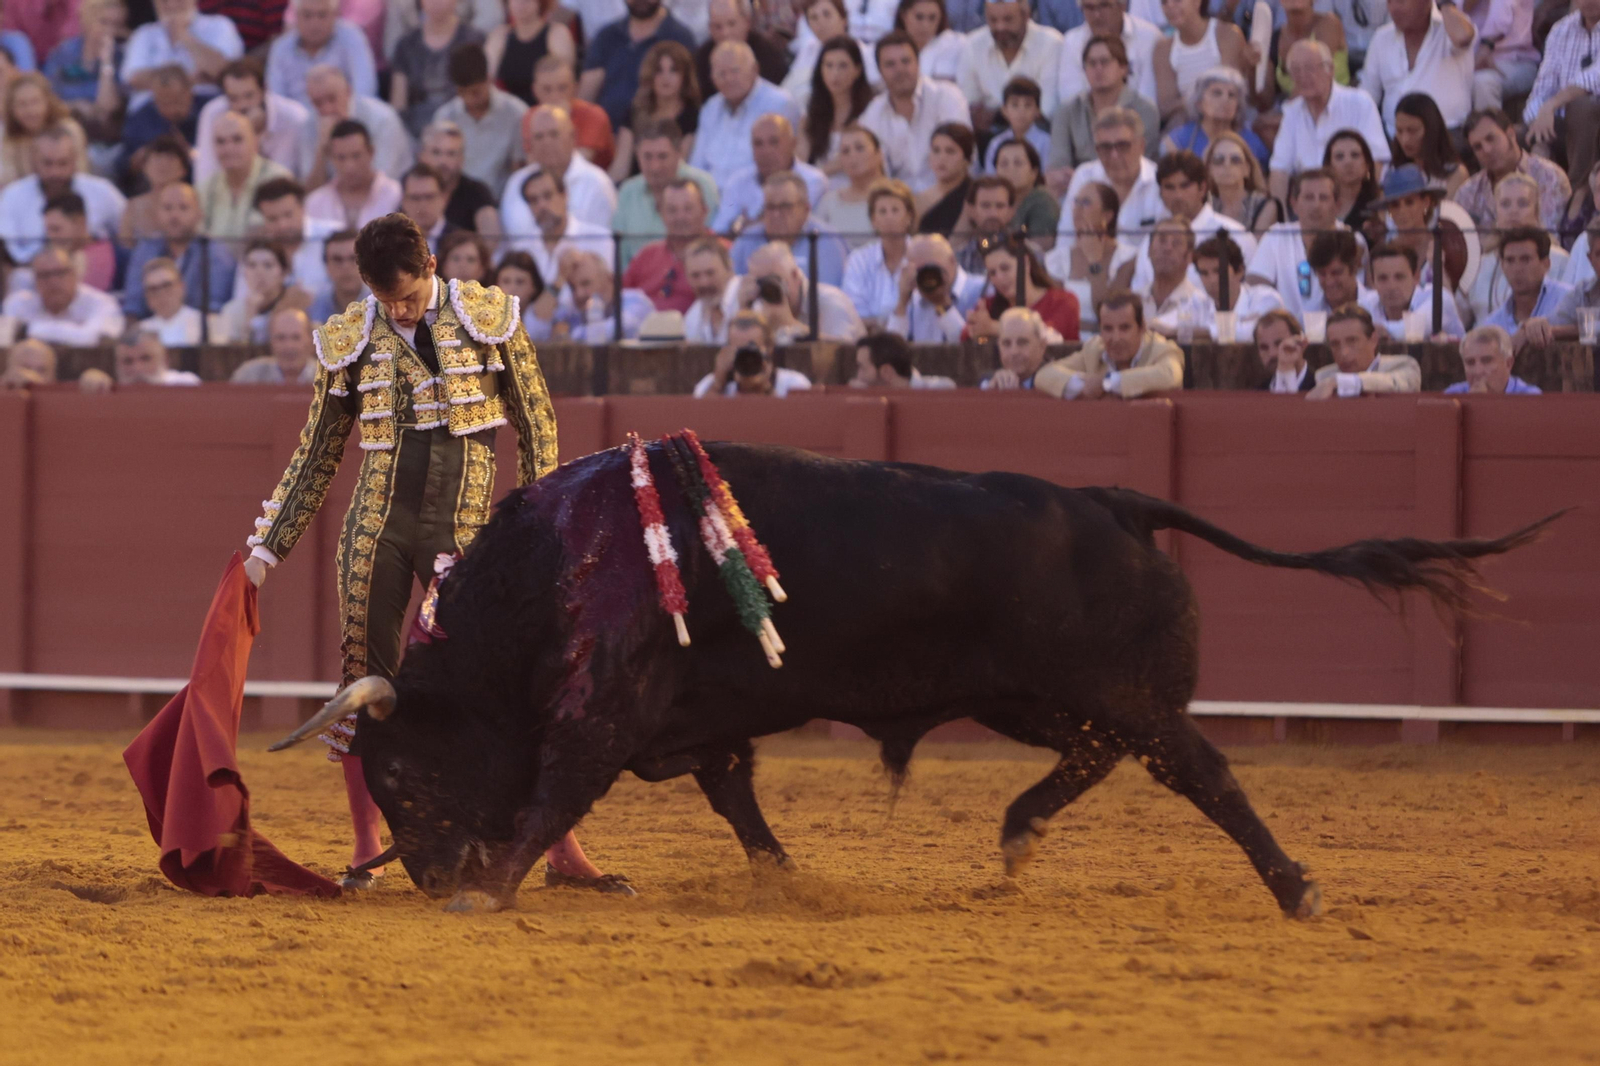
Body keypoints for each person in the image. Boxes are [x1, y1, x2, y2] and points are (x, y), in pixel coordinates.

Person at [240, 213, 619, 894]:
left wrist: (540, 539)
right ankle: (365, 845)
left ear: (434, 264)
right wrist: (268, 547)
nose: (400, 310)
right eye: (386, 301)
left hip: (469, 534)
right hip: (377, 529)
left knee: (508, 687)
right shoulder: (350, 337)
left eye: (408, 296)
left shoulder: (490, 316)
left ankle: (561, 850)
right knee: (364, 683)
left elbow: (538, 425)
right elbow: (317, 454)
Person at [1267, 39, 1390, 201]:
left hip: (1354, 202)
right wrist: (1280, 214)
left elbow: (1377, 162)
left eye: (1310, 68)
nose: (1303, 76)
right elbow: (1279, 170)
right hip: (1308, 204)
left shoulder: (1359, 102)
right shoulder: (1292, 112)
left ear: (1330, 69)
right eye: (1296, 70)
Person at [0, 122, 124, 265]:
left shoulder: (102, 191)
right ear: (33, 162)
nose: (55, 172)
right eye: (48, 163)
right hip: (32, 276)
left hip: (96, 273)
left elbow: (128, 234)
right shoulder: (13, 196)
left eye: (62, 163)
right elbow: (9, 251)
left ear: (74, 161)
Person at [859, 30, 969, 193]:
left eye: (906, 61)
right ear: (879, 71)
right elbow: (876, 174)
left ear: (918, 63)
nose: (900, 70)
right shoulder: (872, 114)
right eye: (890, 64)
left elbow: (962, 161)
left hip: (951, 195)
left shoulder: (947, 96)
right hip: (899, 205)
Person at [1048, 35, 1159, 185]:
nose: (1098, 69)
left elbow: (1138, 164)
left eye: (1105, 62)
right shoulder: (1066, 111)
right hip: (1079, 190)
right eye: (1091, 63)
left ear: (1123, 68)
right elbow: (1057, 169)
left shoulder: (1145, 110)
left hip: (1130, 186)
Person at [687, 40, 799, 189]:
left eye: (735, 71)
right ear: (712, 77)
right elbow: (697, 167)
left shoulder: (779, 103)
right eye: (721, 73)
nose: (728, 79)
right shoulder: (711, 108)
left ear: (755, 69)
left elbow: (781, 165)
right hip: (711, 201)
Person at [1033, 290, 1183, 398]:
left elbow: (1170, 376)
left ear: (1142, 327)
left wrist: (1108, 383)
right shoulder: (1094, 350)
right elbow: (1045, 374)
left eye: (1125, 328)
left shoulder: (1162, 349)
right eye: (1108, 329)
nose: (1115, 338)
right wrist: (1082, 385)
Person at [579, 0, 699, 135]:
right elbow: (585, 98)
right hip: (605, 138)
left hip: (655, 140)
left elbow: (688, 97)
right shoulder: (607, 37)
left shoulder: (679, 37)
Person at [1359, 0, 1477, 136]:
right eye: (1390, 2)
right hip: (1395, 138)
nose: (1393, 9)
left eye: (1401, 2)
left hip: (1446, 136)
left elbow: (1463, 37)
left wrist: (1445, 3)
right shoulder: (1382, 37)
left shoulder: (1450, 29)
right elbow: (1368, 94)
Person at [1056, 107, 1163, 256]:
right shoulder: (1084, 177)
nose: (1114, 155)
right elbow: (1066, 240)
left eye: (1123, 146)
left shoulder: (1161, 181)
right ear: (1097, 150)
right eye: (1105, 147)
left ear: (1141, 146)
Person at [613, 119, 719, 266]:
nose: (655, 167)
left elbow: (713, 242)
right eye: (647, 157)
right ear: (637, 155)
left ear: (678, 153)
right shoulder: (628, 191)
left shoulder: (702, 185)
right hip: (640, 281)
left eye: (662, 156)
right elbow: (620, 257)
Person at [122, 182, 236, 317]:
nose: (174, 215)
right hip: (152, 330)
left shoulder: (215, 251)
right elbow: (133, 306)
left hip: (198, 330)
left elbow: (214, 309)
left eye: (183, 208)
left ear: (199, 214)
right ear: (157, 214)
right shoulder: (146, 248)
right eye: (167, 208)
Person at [500, 104, 618, 233]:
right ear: (530, 144)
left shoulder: (597, 183)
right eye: (539, 137)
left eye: (554, 134)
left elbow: (604, 243)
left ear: (573, 137)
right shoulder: (516, 182)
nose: (546, 142)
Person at [193, 60, 311, 187]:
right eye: (234, 99)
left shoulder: (294, 116)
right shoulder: (213, 113)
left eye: (249, 96)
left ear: (264, 90)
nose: (243, 105)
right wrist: (248, 130)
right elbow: (205, 175)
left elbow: (306, 177)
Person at [1245, 167, 1342, 318]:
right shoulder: (1276, 235)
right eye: (1309, 197)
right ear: (1294, 203)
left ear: (1337, 205)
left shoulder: (1353, 239)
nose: (1316, 205)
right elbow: (1256, 286)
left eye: (1323, 198)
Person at [1453, 108, 1571, 232]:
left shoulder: (1549, 177)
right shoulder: (1467, 193)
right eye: (1478, 147)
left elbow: (1548, 236)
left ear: (1510, 134)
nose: (1487, 150)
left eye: (1491, 138)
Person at [1523, 0, 1600, 186]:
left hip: (1593, 119)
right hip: (1563, 122)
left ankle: (1577, 192)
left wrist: (1552, 104)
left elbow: (1595, 78)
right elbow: (1542, 87)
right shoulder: (1561, 29)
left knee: (1583, 105)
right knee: (1514, 136)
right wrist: (1538, 124)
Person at [434, 43, 528, 193]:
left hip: (500, 200)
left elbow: (519, 169)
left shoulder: (516, 113)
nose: (470, 99)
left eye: (476, 92)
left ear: (489, 80)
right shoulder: (445, 116)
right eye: (463, 93)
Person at [956, 0, 1063, 133]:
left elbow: (1047, 110)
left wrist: (996, 116)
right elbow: (969, 106)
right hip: (986, 134)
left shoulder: (1050, 43)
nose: (1000, 27)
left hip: (1038, 133)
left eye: (1008, 19)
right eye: (993, 20)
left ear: (1026, 16)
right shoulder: (973, 45)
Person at [1045, 181, 1137, 334]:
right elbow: (1057, 316)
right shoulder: (1057, 259)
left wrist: (1095, 261)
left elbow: (1109, 311)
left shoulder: (1128, 258)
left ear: (1107, 216)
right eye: (1076, 202)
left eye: (1086, 202)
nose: (1077, 209)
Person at [730, 170, 851, 286]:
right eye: (770, 207)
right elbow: (731, 291)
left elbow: (831, 296)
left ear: (805, 209)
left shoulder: (827, 241)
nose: (776, 214)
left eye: (785, 207)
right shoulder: (747, 239)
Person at [713, 113, 826, 235]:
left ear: (793, 144)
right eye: (758, 143)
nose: (766, 151)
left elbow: (794, 225)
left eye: (774, 142)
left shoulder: (813, 180)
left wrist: (747, 226)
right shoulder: (737, 182)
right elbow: (720, 230)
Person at [300, 65, 413, 187]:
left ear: (348, 91)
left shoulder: (381, 119)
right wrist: (322, 149)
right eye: (318, 103)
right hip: (336, 200)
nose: (327, 109)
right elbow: (311, 192)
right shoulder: (309, 126)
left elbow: (380, 182)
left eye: (332, 99)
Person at [119, 0, 243, 109]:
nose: (172, 4)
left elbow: (224, 72)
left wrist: (184, 36)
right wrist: (190, 79)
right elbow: (134, 78)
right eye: (164, 1)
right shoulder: (143, 33)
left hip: (204, 103)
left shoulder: (220, 25)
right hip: (150, 107)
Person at [734, 239, 865, 341]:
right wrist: (744, 312)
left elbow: (843, 353)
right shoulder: (758, 305)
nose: (766, 289)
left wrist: (788, 324)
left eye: (773, 281)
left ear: (795, 276)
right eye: (760, 283)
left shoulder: (830, 301)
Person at [1151, 0, 1256, 126]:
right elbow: (1165, 106)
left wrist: (1188, 101)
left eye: (1177, 0)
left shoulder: (1227, 34)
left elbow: (1227, 90)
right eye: (1164, 2)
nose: (1170, 6)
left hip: (1230, 125)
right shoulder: (1163, 49)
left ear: (1197, 2)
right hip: (1188, 125)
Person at [612, 39, 702, 184]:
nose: (665, 78)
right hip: (635, 188)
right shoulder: (635, 112)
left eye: (674, 70)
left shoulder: (693, 116)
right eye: (659, 70)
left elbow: (680, 168)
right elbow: (620, 167)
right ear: (650, 76)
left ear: (684, 77)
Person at [389, 0, 483, 139]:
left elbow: (477, 96)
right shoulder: (406, 45)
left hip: (461, 130)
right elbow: (399, 103)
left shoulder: (474, 41)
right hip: (415, 133)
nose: (436, 3)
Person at [200, 111, 295, 242]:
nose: (228, 148)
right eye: (220, 142)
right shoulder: (206, 189)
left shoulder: (277, 179)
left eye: (237, 139)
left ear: (255, 142)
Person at [621, 177, 714, 312]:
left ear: (704, 211)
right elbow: (620, 299)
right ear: (662, 214)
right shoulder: (647, 255)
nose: (680, 217)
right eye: (672, 210)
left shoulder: (723, 253)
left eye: (688, 209)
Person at [2, 245, 124, 345]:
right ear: (35, 280)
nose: (53, 281)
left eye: (60, 273)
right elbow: (5, 339)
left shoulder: (103, 303)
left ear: (75, 274)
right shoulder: (18, 303)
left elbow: (98, 339)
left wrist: (27, 330)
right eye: (45, 275)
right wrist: (78, 332)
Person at [265, 0, 378, 107]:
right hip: (295, 124)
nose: (315, 23)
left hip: (345, 119)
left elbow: (365, 92)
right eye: (307, 15)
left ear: (335, 15)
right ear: (296, 16)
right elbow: (276, 100)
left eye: (322, 15)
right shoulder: (281, 48)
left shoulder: (352, 38)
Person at [966, 237, 1080, 340]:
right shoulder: (988, 306)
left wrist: (993, 328)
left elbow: (1053, 337)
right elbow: (964, 337)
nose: (999, 278)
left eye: (1005, 268)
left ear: (1025, 263)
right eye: (992, 273)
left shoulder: (1063, 301)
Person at [511, 165, 610, 283]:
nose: (542, 205)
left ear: (565, 196)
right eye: (533, 200)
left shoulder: (600, 239)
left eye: (548, 196)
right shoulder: (522, 249)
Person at [1479, 225, 1571, 351]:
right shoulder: (1494, 324)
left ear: (1546, 264)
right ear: (1502, 266)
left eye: (1525, 259)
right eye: (1510, 260)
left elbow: (1593, 327)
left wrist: (1550, 331)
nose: (1517, 269)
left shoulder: (1568, 298)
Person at [43, 0, 124, 142]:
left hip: (102, 136)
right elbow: (47, 97)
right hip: (62, 127)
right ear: (87, 20)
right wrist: (75, 106)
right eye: (104, 22)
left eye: (116, 24)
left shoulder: (119, 57)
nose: (109, 30)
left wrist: (107, 63)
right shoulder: (64, 53)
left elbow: (108, 108)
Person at [884, 232, 986, 341]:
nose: (928, 277)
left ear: (952, 261)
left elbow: (969, 345)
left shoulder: (981, 290)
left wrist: (942, 304)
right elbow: (891, 348)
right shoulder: (912, 299)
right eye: (920, 271)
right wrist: (902, 303)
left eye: (932, 268)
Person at [841, 177, 917, 325]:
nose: (889, 217)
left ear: (909, 217)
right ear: (873, 220)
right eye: (882, 211)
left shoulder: (923, 255)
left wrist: (879, 322)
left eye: (895, 210)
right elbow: (855, 317)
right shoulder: (858, 260)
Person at [1056, 0, 1160, 106]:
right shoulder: (1072, 41)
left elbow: (1149, 99)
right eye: (1089, 8)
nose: (1096, 15)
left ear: (1122, 6)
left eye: (1104, 5)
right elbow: (1071, 99)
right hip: (1088, 119)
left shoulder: (1149, 37)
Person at [1306, 303, 1421, 398]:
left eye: (1352, 341)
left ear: (1373, 340)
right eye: (1335, 344)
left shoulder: (1404, 365)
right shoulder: (1324, 376)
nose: (1343, 352)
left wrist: (1340, 382)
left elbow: (1394, 384)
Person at [1162, 66, 1267, 168]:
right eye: (1217, 93)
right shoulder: (1178, 141)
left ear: (1237, 106)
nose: (1225, 99)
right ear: (1199, 103)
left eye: (1232, 95)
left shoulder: (1251, 142)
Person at [798, 35, 874, 175]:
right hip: (820, 189)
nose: (835, 73)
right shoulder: (811, 114)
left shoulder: (871, 110)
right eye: (829, 65)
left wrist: (821, 172)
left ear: (857, 70)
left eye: (843, 66)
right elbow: (800, 163)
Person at [692, 308, 814, 394]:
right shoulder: (709, 385)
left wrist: (765, 389)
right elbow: (700, 420)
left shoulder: (794, 384)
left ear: (769, 348)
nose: (746, 356)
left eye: (752, 347)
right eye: (739, 349)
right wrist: (718, 385)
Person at [1360, 240, 1465, 339]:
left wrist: (1366, 330)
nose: (1391, 286)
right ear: (1373, 281)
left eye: (1399, 277)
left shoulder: (1438, 297)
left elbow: (1407, 331)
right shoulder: (1367, 303)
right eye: (1383, 278)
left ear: (1416, 277)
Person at [484, 0, 577, 108]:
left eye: (526, 1)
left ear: (540, 3)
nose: (520, 4)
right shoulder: (499, 36)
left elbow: (564, 81)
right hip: (510, 112)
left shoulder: (557, 34)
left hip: (548, 108)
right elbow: (488, 78)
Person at [256, 177, 342, 294]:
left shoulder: (334, 236)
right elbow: (243, 296)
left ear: (303, 208)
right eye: (272, 219)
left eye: (288, 215)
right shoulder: (257, 250)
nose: (283, 225)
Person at [1192, 233, 1285, 341]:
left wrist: (1204, 333)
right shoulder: (1197, 303)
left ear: (1240, 271)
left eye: (1219, 271)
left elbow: (1259, 332)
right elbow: (1169, 329)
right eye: (1204, 273)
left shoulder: (1266, 298)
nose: (1212, 280)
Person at [530, 54, 616, 170]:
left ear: (575, 88)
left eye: (562, 88)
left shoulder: (594, 116)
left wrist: (562, 120)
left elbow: (576, 165)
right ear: (535, 91)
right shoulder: (531, 118)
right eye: (547, 89)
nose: (555, 96)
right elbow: (534, 165)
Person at [694, 0, 790, 103]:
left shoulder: (769, 55)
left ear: (747, 22)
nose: (725, 33)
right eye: (717, 27)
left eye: (732, 24)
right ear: (710, 28)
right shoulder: (701, 58)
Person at [0, 72, 87, 186]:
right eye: (22, 104)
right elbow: (6, 183)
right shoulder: (7, 136)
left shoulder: (70, 130)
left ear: (48, 102)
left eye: (35, 102)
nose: (30, 111)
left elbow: (81, 176)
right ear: (12, 109)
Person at [219, 240, 314, 343]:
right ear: (244, 273)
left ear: (284, 272)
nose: (259, 272)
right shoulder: (232, 311)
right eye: (252, 265)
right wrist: (250, 318)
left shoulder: (299, 303)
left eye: (268, 265)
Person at [552, 247, 655, 341]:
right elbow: (543, 329)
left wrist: (571, 336)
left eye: (586, 283)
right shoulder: (572, 312)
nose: (579, 294)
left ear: (608, 279)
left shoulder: (635, 300)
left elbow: (622, 327)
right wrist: (559, 279)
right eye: (572, 287)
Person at [419, 120, 502, 236]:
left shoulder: (477, 192)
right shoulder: (406, 188)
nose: (443, 161)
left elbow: (491, 242)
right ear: (422, 155)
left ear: (461, 158)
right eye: (436, 152)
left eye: (451, 154)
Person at [813, 125, 890, 246]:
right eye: (845, 151)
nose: (852, 155)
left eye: (860, 148)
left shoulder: (896, 197)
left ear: (879, 154)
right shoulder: (828, 202)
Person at [1265, 0, 1348, 104]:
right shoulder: (1276, 38)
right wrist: (1251, 68)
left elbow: (1312, 80)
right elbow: (1264, 102)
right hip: (1294, 112)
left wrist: (1283, 116)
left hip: (1336, 107)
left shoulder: (1328, 24)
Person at [1141, 216, 1211, 335]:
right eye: (1162, 240)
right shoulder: (1134, 302)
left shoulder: (1202, 307)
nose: (1167, 248)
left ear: (1189, 256)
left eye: (1176, 243)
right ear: (1149, 250)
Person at [1204, 128, 1281, 235]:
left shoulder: (1265, 206)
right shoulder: (1203, 206)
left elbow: (1255, 249)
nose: (1227, 165)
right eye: (1218, 160)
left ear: (1247, 169)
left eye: (1235, 160)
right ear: (1209, 169)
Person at [1464, 0, 1537, 113]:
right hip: (1468, 60)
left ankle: (1490, 129)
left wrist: (1486, 46)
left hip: (1515, 60)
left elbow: (1502, 12)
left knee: (1484, 82)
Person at [1390, 92, 1466, 200]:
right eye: (1399, 131)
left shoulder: (1455, 173)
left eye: (1412, 131)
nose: (1405, 140)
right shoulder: (1393, 172)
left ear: (1431, 130)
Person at [79, 328, 201, 391]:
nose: (137, 368)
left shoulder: (186, 385)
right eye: (127, 361)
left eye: (146, 358)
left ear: (165, 360)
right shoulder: (107, 390)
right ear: (116, 366)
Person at [1443, 323, 1543, 393]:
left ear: (1508, 363)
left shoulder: (1530, 398)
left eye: (1486, 361)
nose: (1478, 371)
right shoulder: (1453, 396)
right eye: (1470, 362)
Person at [912, 120, 973, 233]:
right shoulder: (919, 200)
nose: (942, 158)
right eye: (936, 150)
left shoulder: (975, 195)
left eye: (950, 151)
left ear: (966, 159)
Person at [995, 138, 1059, 246]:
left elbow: (1040, 249)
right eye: (1004, 164)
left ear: (1034, 172)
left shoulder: (1043, 201)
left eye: (1018, 163)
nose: (1010, 169)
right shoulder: (992, 200)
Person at [232, 306, 318, 384]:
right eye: (281, 338)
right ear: (271, 342)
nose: (289, 346)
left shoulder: (328, 378)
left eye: (296, 338)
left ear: (310, 341)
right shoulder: (248, 376)